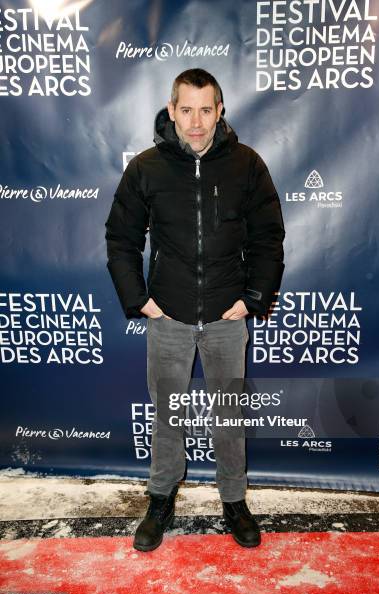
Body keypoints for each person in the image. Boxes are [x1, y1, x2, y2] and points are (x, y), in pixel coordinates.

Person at [105, 68, 285, 552]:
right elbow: (121, 240)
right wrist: (139, 299)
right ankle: (161, 498)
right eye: (187, 110)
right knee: (167, 415)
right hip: (169, 317)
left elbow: (268, 238)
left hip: (228, 316)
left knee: (229, 415)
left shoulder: (247, 165)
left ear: (221, 111)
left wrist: (253, 298)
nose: (197, 121)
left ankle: (234, 500)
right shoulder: (147, 168)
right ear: (172, 111)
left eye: (207, 109)